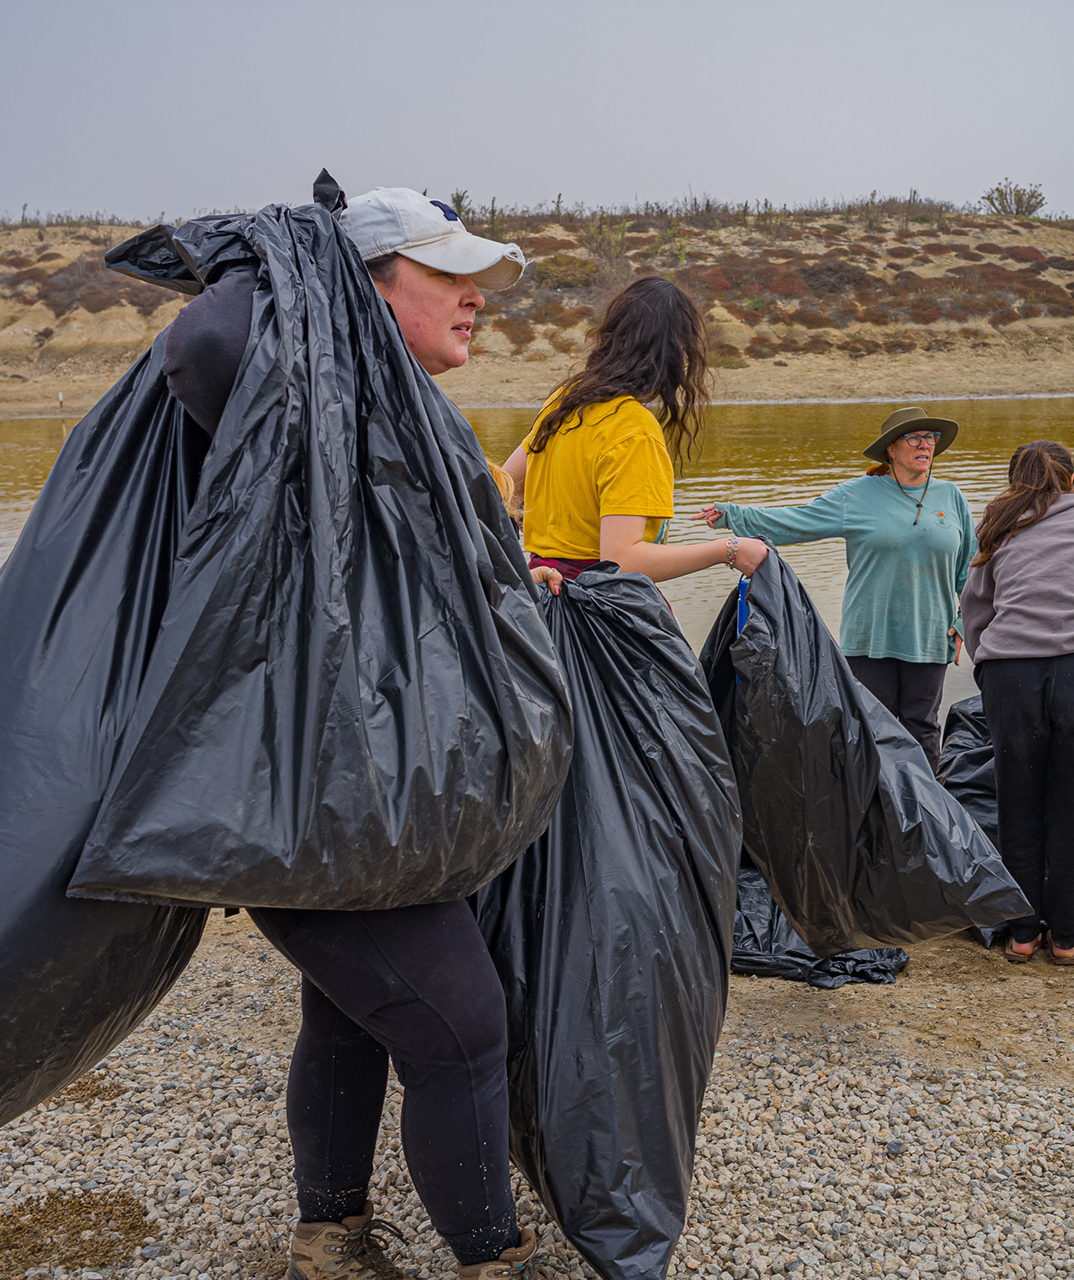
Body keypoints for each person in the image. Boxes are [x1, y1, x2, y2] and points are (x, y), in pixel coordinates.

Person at [164, 181, 545, 1280]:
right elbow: (201, 347)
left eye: (481, 280)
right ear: (368, 288)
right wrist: (303, 253)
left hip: (368, 794)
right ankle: (491, 1255)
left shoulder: (382, 414)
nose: (478, 300)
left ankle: (328, 1235)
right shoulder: (294, 395)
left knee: (351, 1012)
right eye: (449, 276)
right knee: (463, 1030)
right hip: (312, 799)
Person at [699, 407, 976, 769]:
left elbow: (970, 568)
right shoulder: (857, 495)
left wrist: (962, 619)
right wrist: (733, 516)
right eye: (915, 437)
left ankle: (929, 817)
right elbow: (799, 520)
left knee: (923, 728)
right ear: (891, 449)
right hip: (870, 636)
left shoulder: (951, 497)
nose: (925, 445)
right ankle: (879, 815)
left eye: (931, 438)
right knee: (873, 730)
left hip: (929, 635)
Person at [959, 441, 1074, 965]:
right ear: (1070, 478)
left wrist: (988, 665)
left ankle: (1022, 932)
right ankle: (1065, 936)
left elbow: (974, 612)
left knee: (1017, 798)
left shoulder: (996, 528)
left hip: (1010, 673)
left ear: (1012, 477)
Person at [502, 275, 770, 591]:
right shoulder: (634, 429)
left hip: (543, 595)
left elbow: (504, 488)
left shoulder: (564, 399)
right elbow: (621, 561)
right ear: (679, 351)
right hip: (599, 610)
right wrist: (729, 550)